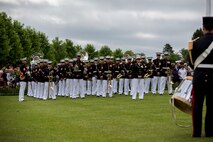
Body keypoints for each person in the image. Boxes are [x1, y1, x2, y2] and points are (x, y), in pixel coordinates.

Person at [189, 16, 213, 137]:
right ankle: (210, 132)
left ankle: (196, 133)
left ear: (203, 28)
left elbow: (191, 62)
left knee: (197, 105)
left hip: (199, 76)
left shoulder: (195, 43)